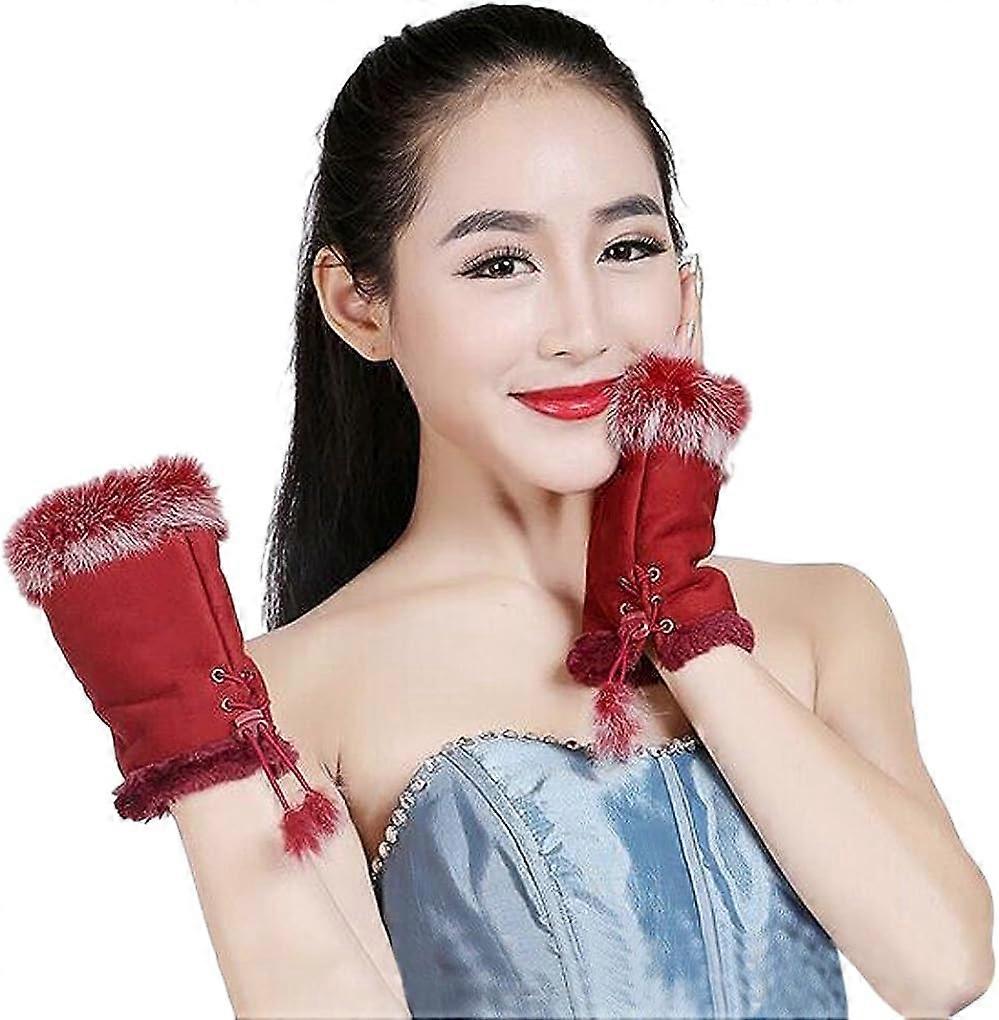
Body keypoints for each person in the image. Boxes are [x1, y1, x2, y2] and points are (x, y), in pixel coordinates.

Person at [5, 4, 993, 1019]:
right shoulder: (292, 695)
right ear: (358, 305)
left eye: (627, 248)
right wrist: (208, 769)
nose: (582, 327)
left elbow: (942, 968)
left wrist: (681, 616)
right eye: (499, 263)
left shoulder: (823, 617)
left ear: (686, 287)